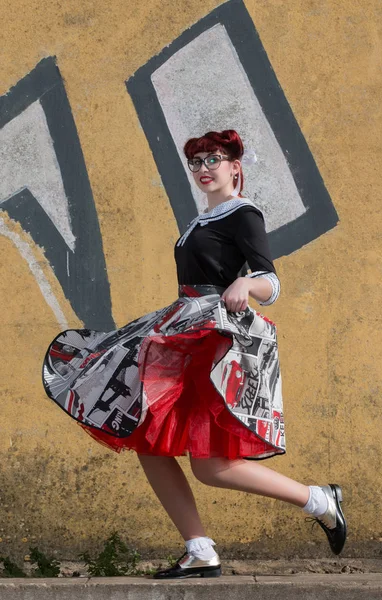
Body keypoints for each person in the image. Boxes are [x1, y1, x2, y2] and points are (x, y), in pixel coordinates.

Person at [42, 129, 347, 580]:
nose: (204, 169)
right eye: (197, 162)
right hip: (183, 329)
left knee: (210, 466)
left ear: (235, 166)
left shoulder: (244, 214)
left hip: (210, 340)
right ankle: (202, 547)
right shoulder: (201, 220)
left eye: (214, 159)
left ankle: (318, 500)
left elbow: (271, 281)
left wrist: (246, 283)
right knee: (148, 438)